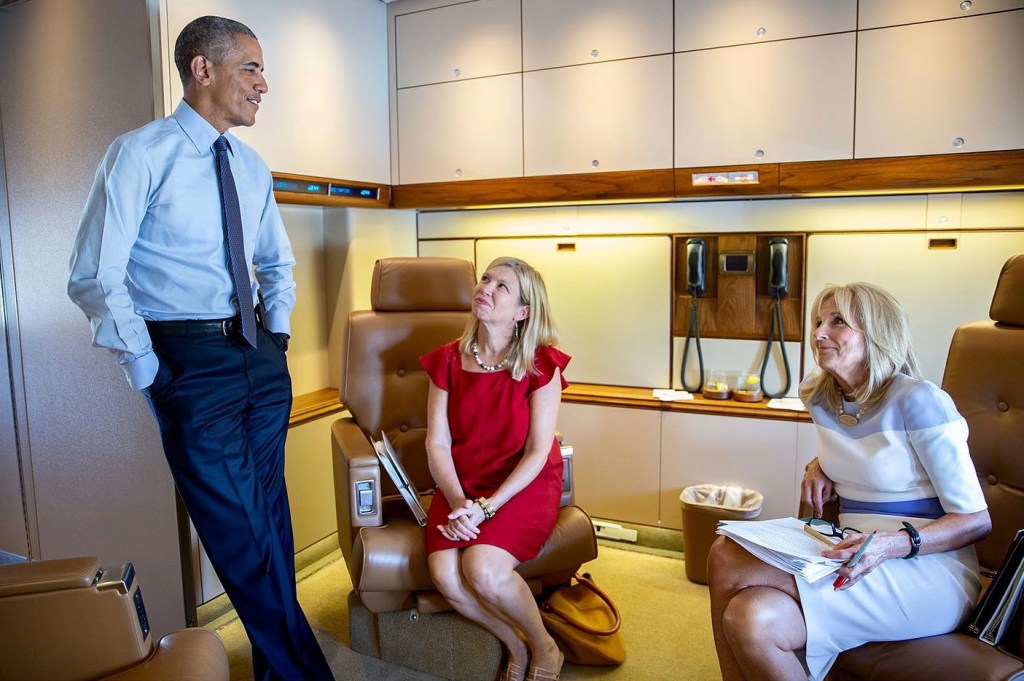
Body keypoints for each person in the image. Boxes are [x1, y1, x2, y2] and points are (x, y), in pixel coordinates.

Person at [67, 16, 333, 681]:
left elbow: (277, 263)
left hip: (258, 359)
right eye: (251, 67)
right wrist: (149, 366)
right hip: (188, 366)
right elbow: (95, 273)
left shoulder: (249, 165)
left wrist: (277, 338)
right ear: (201, 69)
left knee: (271, 527)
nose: (264, 84)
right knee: (243, 543)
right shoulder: (139, 154)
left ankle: (278, 674)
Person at [707, 282, 991, 681]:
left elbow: (977, 520)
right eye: (819, 321)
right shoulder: (819, 396)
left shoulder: (920, 401)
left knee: (725, 557)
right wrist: (818, 464)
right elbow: (863, 455)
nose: (819, 333)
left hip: (925, 567)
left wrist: (892, 544)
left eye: (838, 322)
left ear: (875, 333)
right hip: (850, 552)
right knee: (751, 617)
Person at [419, 257, 570, 681]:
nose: (486, 287)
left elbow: (538, 452)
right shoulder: (448, 359)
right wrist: (457, 501)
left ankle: (545, 648)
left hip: (522, 484)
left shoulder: (543, 365)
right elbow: (438, 442)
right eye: (485, 278)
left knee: (481, 568)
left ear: (523, 311)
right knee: (446, 576)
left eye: (502, 286)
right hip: (461, 484)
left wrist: (485, 509)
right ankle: (516, 645)